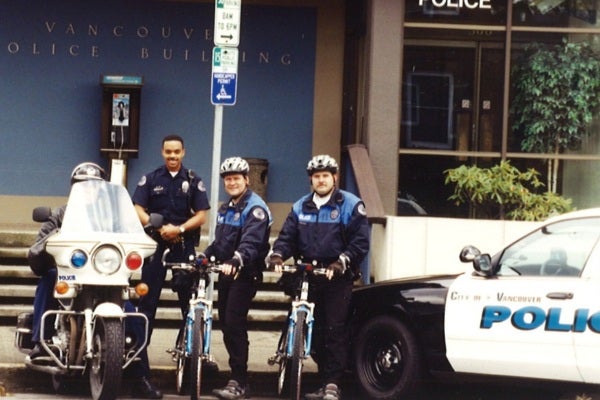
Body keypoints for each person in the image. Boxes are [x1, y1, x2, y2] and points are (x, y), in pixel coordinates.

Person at [267, 154, 370, 400]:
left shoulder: (350, 204)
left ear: (334, 177)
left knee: (335, 330)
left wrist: (341, 261)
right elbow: (287, 237)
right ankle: (321, 379)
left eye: (326, 175)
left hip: (337, 276)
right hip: (308, 275)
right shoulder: (300, 206)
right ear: (311, 180)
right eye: (316, 176)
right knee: (314, 332)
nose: (321, 180)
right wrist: (278, 255)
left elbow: (360, 242)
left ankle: (332, 383)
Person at [130, 134, 210, 399]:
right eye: (168, 152)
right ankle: (140, 373)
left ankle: (191, 369)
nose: (172, 156)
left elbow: (201, 215)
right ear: (162, 152)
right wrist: (156, 227)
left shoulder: (193, 180)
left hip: (183, 247)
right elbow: (138, 207)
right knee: (147, 309)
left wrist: (180, 228)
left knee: (188, 308)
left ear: (183, 152)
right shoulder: (151, 178)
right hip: (155, 247)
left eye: (177, 152)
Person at [206, 157, 273, 400]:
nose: (232, 182)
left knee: (234, 322)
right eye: (228, 179)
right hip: (227, 272)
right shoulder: (226, 208)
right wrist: (204, 256)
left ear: (246, 179)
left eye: (236, 178)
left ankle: (240, 381)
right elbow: (219, 243)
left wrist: (236, 260)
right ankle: (236, 375)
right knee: (226, 322)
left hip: (245, 273)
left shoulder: (254, 207)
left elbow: (251, 243)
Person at [27, 162, 107, 360]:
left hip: (101, 275)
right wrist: (56, 236)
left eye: (93, 186)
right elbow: (38, 247)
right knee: (49, 279)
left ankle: (135, 359)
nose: (88, 190)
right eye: (82, 185)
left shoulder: (109, 218)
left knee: (129, 306)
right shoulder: (59, 214)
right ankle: (40, 340)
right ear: (73, 188)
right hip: (67, 273)